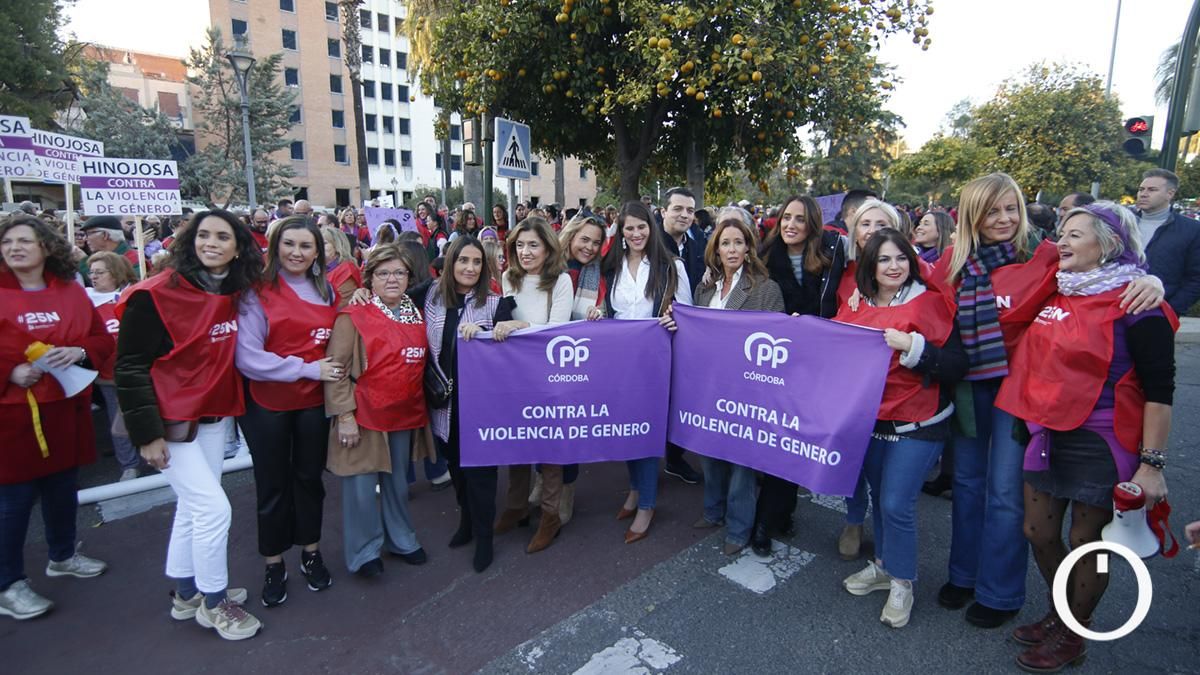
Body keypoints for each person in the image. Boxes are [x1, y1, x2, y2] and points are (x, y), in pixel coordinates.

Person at [933, 173, 1162, 629]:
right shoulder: (949, 262)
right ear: (972, 215)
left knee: (1005, 494)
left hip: (1024, 392)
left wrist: (1153, 282)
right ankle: (963, 574)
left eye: (1011, 208)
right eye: (992, 210)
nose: (1004, 218)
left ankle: (999, 592)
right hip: (967, 387)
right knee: (967, 485)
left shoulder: (1045, 257)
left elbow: (1108, 270)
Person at [995, 202, 1174, 671]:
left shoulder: (1138, 303)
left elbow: (1161, 389)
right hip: (1046, 430)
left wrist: (1152, 465)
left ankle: (1074, 631)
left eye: (1076, 235)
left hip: (1102, 438)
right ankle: (1062, 612)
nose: (1063, 242)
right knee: (1037, 530)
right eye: (1062, 233)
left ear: (1108, 244)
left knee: (1086, 541)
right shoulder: (1058, 289)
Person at [114, 209, 264, 640]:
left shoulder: (235, 290)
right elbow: (129, 366)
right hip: (170, 423)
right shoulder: (155, 294)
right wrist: (147, 435)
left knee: (193, 508)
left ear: (238, 247)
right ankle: (215, 604)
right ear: (189, 240)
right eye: (203, 235)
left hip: (213, 416)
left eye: (222, 236)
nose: (211, 243)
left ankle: (186, 594)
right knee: (214, 508)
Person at [835, 228, 966, 629]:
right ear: (870, 267)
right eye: (884, 260)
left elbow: (957, 365)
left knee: (896, 503)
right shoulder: (855, 305)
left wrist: (912, 348)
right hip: (872, 421)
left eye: (901, 258)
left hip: (919, 422)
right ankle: (883, 566)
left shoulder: (931, 303)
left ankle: (902, 583)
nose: (894, 267)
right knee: (878, 496)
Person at [0, 215, 112, 621]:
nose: (15, 248)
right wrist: (9, 372)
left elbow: (100, 339)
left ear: (45, 247)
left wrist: (79, 352)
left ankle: (62, 555)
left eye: (25, 241)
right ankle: (8, 584)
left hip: (66, 408)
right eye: (8, 241)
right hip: (12, 416)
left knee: (62, 489)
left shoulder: (70, 292)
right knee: (13, 502)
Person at [236, 216, 342, 607]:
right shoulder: (256, 292)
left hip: (313, 403)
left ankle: (311, 553)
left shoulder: (328, 291)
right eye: (289, 244)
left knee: (309, 480)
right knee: (273, 484)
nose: (296, 253)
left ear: (318, 252)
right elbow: (248, 357)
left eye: (306, 246)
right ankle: (274, 562)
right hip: (268, 404)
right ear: (275, 246)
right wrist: (307, 368)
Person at [323, 245, 428, 578]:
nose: (392, 279)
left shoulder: (416, 310)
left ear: (409, 277)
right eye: (383, 273)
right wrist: (344, 416)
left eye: (399, 272)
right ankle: (364, 552)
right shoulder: (352, 315)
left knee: (397, 483)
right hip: (363, 413)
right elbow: (337, 368)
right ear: (370, 279)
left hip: (403, 412)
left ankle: (401, 539)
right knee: (361, 489)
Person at [751, 195, 846, 556]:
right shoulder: (763, 257)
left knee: (795, 441)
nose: (790, 224)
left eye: (800, 220)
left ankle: (780, 511)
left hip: (815, 363)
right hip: (772, 362)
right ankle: (764, 520)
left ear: (813, 226)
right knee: (773, 442)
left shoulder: (830, 258)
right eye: (785, 217)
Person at [691, 208, 784, 556]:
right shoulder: (705, 289)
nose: (731, 249)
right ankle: (712, 512)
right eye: (725, 243)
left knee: (742, 464)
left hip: (747, 390)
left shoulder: (765, 289)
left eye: (738, 243)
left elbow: (776, 344)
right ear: (715, 250)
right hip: (709, 386)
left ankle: (739, 528)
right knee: (711, 456)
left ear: (749, 248)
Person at [419, 235, 512, 572]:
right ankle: (467, 523)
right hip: (443, 404)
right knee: (456, 470)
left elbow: (518, 335)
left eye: (476, 262)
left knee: (482, 476)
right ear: (450, 263)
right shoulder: (429, 295)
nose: (470, 268)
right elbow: (388, 298)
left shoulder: (494, 302)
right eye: (463, 261)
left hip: (481, 408)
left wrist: (496, 328)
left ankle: (485, 537)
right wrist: (360, 291)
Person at [601, 201, 691, 543]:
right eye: (629, 228)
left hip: (655, 360)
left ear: (651, 229)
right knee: (624, 429)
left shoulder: (671, 267)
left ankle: (647, 504)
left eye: (642, 227)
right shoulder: (611, 267)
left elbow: (687, 314)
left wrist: (675, 319)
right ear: (621, 232)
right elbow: (606, 307)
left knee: (646, 431)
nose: (636, 233)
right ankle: (636, 489)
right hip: (617, 360)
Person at [491, 216, 574, 553]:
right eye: (520, 245)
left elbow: (556, 332)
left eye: (533, 245)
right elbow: (500, 319)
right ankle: (516, 505)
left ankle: (550, 515)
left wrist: (520, 325)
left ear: (547, 248)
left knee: (550, 448)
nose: (525, 252)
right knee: (518, 442)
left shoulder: (561, 281)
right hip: (515, 375)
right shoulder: (508, 278)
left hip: (550, 377)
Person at [656, 187, 706, 485]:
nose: (684, 215)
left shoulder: (697, 241)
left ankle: (674, 458)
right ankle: (647, 468)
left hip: (689, 333)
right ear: (664, 211)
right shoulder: (649, 242)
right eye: (678, 209)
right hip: (658, 330)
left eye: (689, 210)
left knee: (683, 396)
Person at [86, 251, 140, 481]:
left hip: (141, 372)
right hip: (109, 376)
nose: (93, 277)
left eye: (100, 272)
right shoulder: (85, 302)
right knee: (119, 423)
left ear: (115, 273)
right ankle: (129, 464)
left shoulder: (133, 295)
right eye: (91, 273)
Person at [1134, 168, 1200, 315]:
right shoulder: (1123, 223)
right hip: (1114, 306)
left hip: (1158, 312)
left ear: (1170, 194)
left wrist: (1170, 310)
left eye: (1152, 190)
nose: (1143, 194)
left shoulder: (1192, 230)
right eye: (1141, 189)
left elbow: (1196, 278)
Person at [321, 226, 362, 308]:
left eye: (324, 243)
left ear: (337, 246)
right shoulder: (315, 268)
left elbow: (341, 305)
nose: (319, 246)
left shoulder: (347, 269)